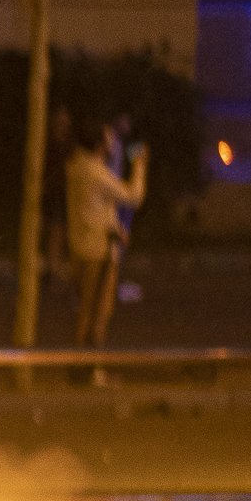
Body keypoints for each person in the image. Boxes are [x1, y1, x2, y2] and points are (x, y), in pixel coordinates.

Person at [65, 113, 145, 350]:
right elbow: (133, 196)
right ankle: (89, 368)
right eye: (108, 138)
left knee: (85, 308)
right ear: (99, 144)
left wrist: (115, 226)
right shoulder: (96, 173)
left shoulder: (76, 166)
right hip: (98, 252)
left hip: (81, 246)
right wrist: (140, 167)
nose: (112, 142)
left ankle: (82, 367)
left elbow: (95, 207)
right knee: (98, 310)